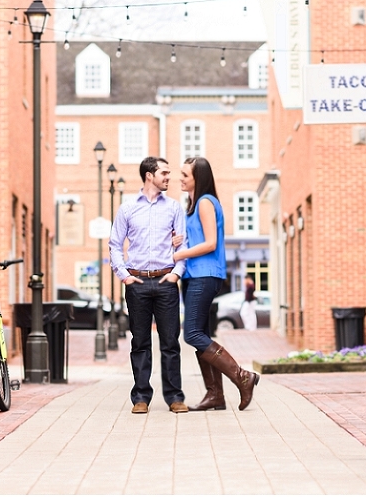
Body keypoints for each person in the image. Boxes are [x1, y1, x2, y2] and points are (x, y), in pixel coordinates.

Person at [173, 157, 260, 411]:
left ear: (197, 179)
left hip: (205, 274)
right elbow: (199, 237)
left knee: (192, 334)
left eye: (185, 175)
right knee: (201, 335)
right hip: (194, 275)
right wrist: (182, 240)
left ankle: (242, 377)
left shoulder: (205, 202)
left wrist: (180, 254)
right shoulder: (193, 204)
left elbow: (211, 243)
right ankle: (215, 395)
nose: (181, 179)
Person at [108, 157, 188, 414]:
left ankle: (175, 397)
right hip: (138, 282)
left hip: (166, 282)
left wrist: (176, 274)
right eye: (164, 172)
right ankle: (141, 397)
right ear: (149, 175)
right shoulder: (128, 208)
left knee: (170, 343)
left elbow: (182, 245)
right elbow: (115, 244)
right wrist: (124, 276)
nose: (168, 177)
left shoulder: (174, 208)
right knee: (140, 342)